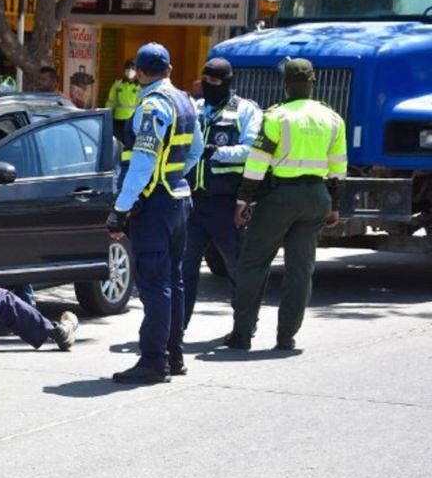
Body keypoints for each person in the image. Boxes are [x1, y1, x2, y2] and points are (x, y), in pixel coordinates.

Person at [225, 59, 347, 351]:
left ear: (286, 85)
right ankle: (286, 337)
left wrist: (243, 200)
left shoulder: (276, 117)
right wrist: (334, 205)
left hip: (281, 197)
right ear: (313, 83)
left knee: (254, 263)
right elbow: (339, 168)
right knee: (300, 269)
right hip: (317, 197)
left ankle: (242, 334)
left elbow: (257, 163)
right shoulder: (332, 118)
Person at [107, 43, 203, 384]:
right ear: (170, 69)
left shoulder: (152, 105)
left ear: (139, 73)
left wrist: (121, 208)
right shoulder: (185, 101)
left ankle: (153, 361)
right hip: (178, 200)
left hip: (155, 206)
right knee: (174, 280)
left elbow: (143, 162)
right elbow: (196, 150)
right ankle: (173, 354)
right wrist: (172, 176)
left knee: (155, 284)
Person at [181, 58, 263, 327]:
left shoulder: (245, 111)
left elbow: (252, 150)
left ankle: (244, 327)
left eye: (214, 81)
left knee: (239, 268)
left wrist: (217, 153)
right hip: (192, 203)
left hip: (227, 205)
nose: (207, 85)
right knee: (183, 269)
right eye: (204, 80)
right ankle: (175, 332)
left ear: (227, 83)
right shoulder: (195, 109)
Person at [106, 58, 140, 134]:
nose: (130, 70)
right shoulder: (118, 84)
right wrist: (107, 115)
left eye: (132, 68)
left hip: (133, 120)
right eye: (128, 68)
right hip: (118, 119)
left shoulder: (140, 87)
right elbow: (110, 102)